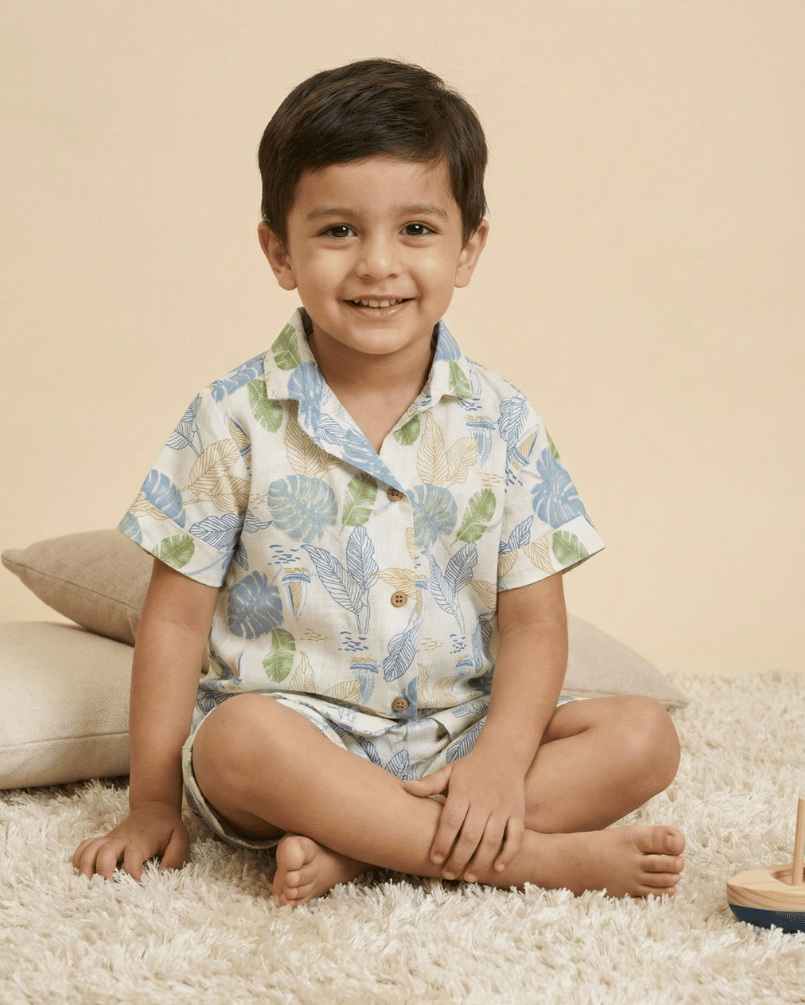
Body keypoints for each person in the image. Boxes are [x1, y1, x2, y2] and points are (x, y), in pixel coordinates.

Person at [73, 59, 684, 907]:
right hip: (298, 739)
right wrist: (150, 802)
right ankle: (528, 860)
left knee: (643, 734)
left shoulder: (504, 419)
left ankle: (364, 851)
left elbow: (534, 622)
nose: (377, 264)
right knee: (235, 741)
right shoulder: (230, 418)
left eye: (417, 229)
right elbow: (175, 622)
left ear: (469, 248)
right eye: (338, 231)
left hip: (458, 735)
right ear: (279, 252)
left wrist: (500, 761)